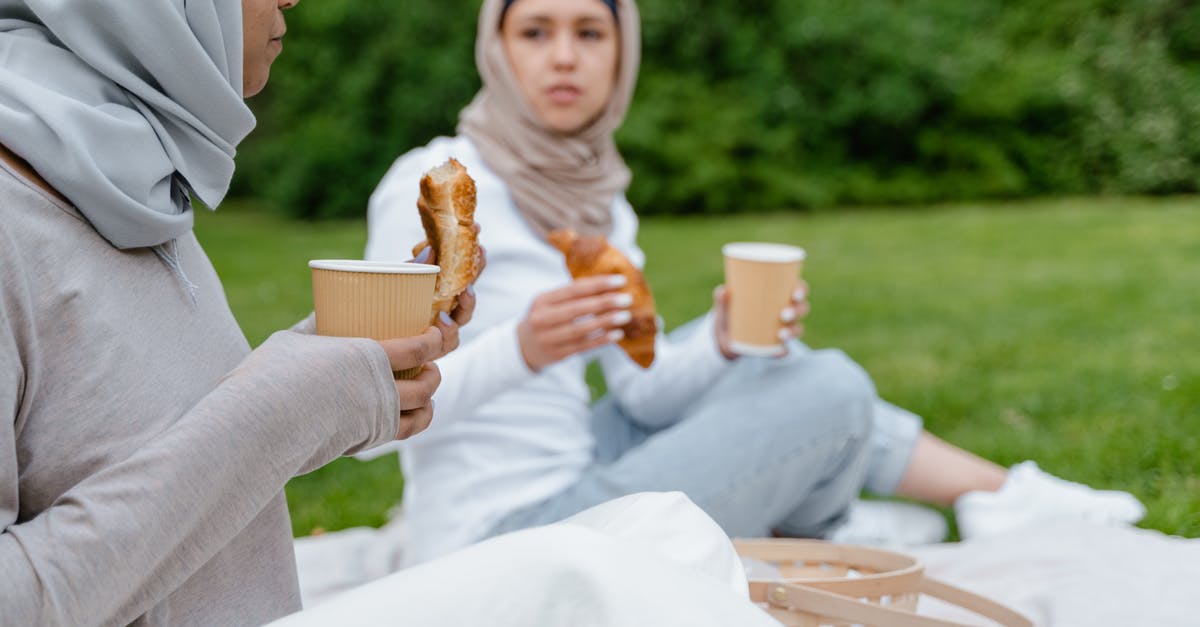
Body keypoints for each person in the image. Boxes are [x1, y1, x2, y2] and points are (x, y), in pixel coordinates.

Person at [1, 2, 778, 625]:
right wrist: (281, 409)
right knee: (598, 569)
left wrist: (339, 380)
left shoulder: (140, 196)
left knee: (665, 530)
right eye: (537, 30)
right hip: (476, 517)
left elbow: (183, 445)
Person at [364, 0, 1146, 566]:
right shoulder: (435, 187)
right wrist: (526, 349)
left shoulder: (600, 204)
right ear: (496, 49)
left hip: (582, 465)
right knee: (832, 389)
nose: (564, 55)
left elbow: (642, 392)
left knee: (776, 358)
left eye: (589, 32)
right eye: (536, 31)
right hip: (501, 536)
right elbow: (363, 416)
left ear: (621, 53)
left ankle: (991, 496)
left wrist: (724, 337)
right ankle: (876, 515)